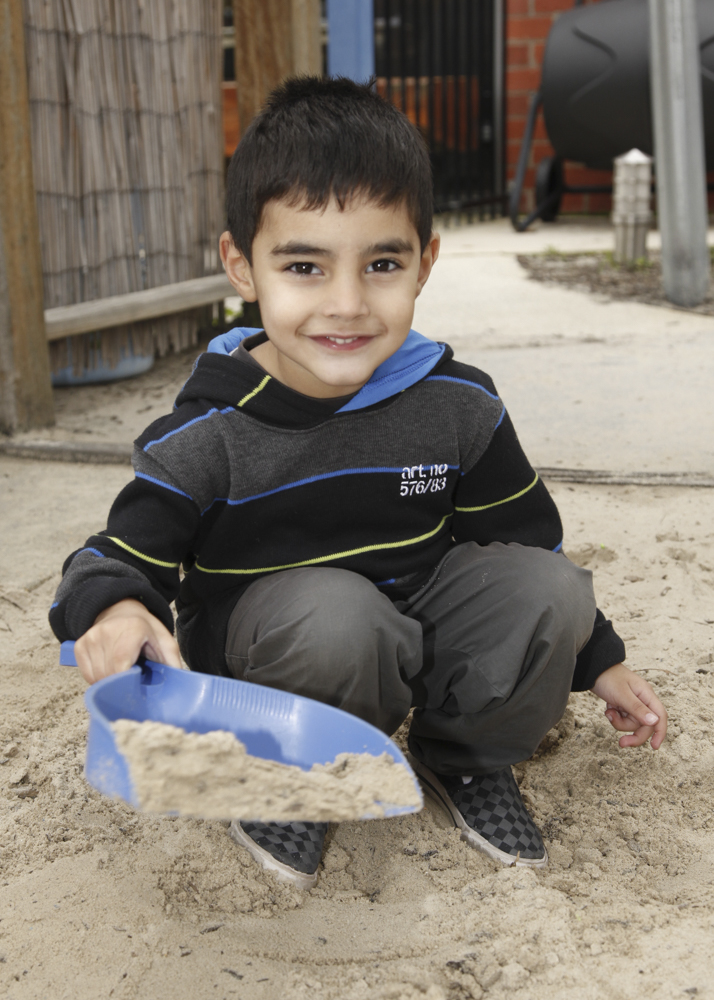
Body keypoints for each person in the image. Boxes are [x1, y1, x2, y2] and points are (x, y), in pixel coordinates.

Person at [49, 76, 667, 890]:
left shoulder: (458, 405)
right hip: (286, 664)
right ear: (241, 264)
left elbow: (524, 547)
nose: (346, 305)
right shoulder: (207, 433)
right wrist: (120, 607)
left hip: (414, 624)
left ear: (425, 263)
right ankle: (297, 783)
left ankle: (468, 759)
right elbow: (111, 559)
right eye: (304, 265)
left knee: (549, 586)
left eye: (382, 263)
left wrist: (602, 659)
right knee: (337, 618)